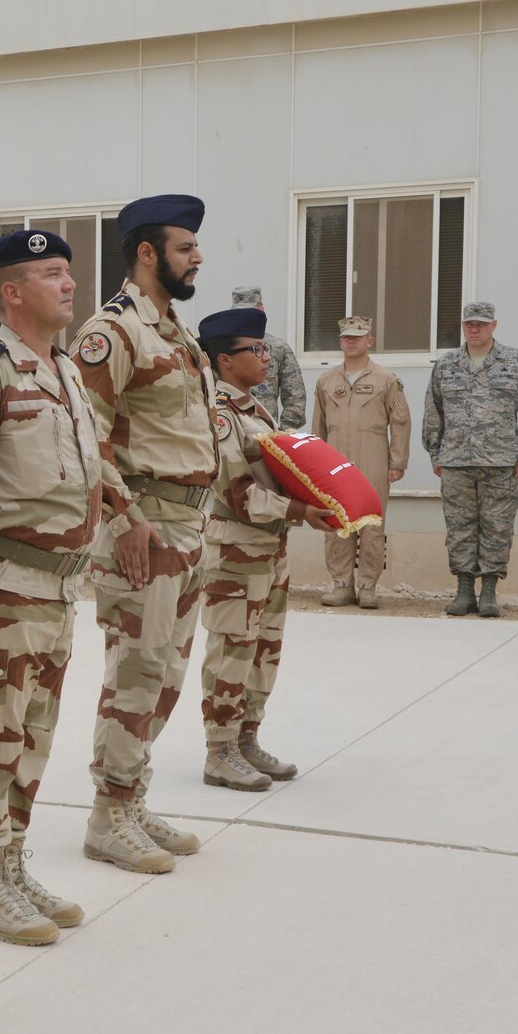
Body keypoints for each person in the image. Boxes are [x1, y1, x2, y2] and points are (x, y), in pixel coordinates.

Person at [0, 229, 107, 947]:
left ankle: (9, 862)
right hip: (3, 591)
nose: (68, 284)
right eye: (50, 273)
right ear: (12, 292)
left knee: (31, 740)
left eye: (68, 272)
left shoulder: (64, 370)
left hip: (58, 592)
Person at [72, 194, 214, 875]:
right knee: (134, 673)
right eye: (186, 248)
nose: (198, 258)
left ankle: (130, 799)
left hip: (188, 526)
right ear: (148, 253)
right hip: (145, 527)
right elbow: (83, 435)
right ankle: (107, 814)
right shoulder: (114, 332)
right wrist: (124, 519)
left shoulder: (176, 332)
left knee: (165, 674)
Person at [195, 308, 337, 789]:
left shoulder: (255, 410)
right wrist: (300, 512)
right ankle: (219, 750)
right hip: (235, 549)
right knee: (232, 647)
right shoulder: (217, 416)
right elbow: (236, 492)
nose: (265, 356)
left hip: (268, 547)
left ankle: (246, 738)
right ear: (225, 360)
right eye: (254, 349)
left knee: (264, 648)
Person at [423, 301, 518, 618]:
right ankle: (465, 591)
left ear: (494, 325)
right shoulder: (446, 364)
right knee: (459, 528)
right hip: (456, 461)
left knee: (497, 527)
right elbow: (433, 412)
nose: (474, 329)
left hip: (502, 462)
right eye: (469, 324)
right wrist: (435, 453)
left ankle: (489, 592)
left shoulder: (517, 362)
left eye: (480, 324)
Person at [310, 316, 411, 608]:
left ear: (370, 340)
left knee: (371, 526)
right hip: (335, 463)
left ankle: (368, 587)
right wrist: (315, 464)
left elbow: (401, 421)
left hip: (373, 461)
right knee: (337, 523)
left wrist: (398, 461)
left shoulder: (387, 380)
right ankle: (341, 585)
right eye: (346, 337)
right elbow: (319, 426)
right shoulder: (326, 381)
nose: (351, 342)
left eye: (357, 336)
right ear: (340, 341)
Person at [229, 286, 306, 428]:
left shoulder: (278, 348)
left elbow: (295, 396)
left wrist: (284, 431)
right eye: (239, 313)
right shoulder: (225, 348)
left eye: (250, 312)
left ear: (261, 310)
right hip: (231, 430)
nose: (244, 317)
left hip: (266, 433)